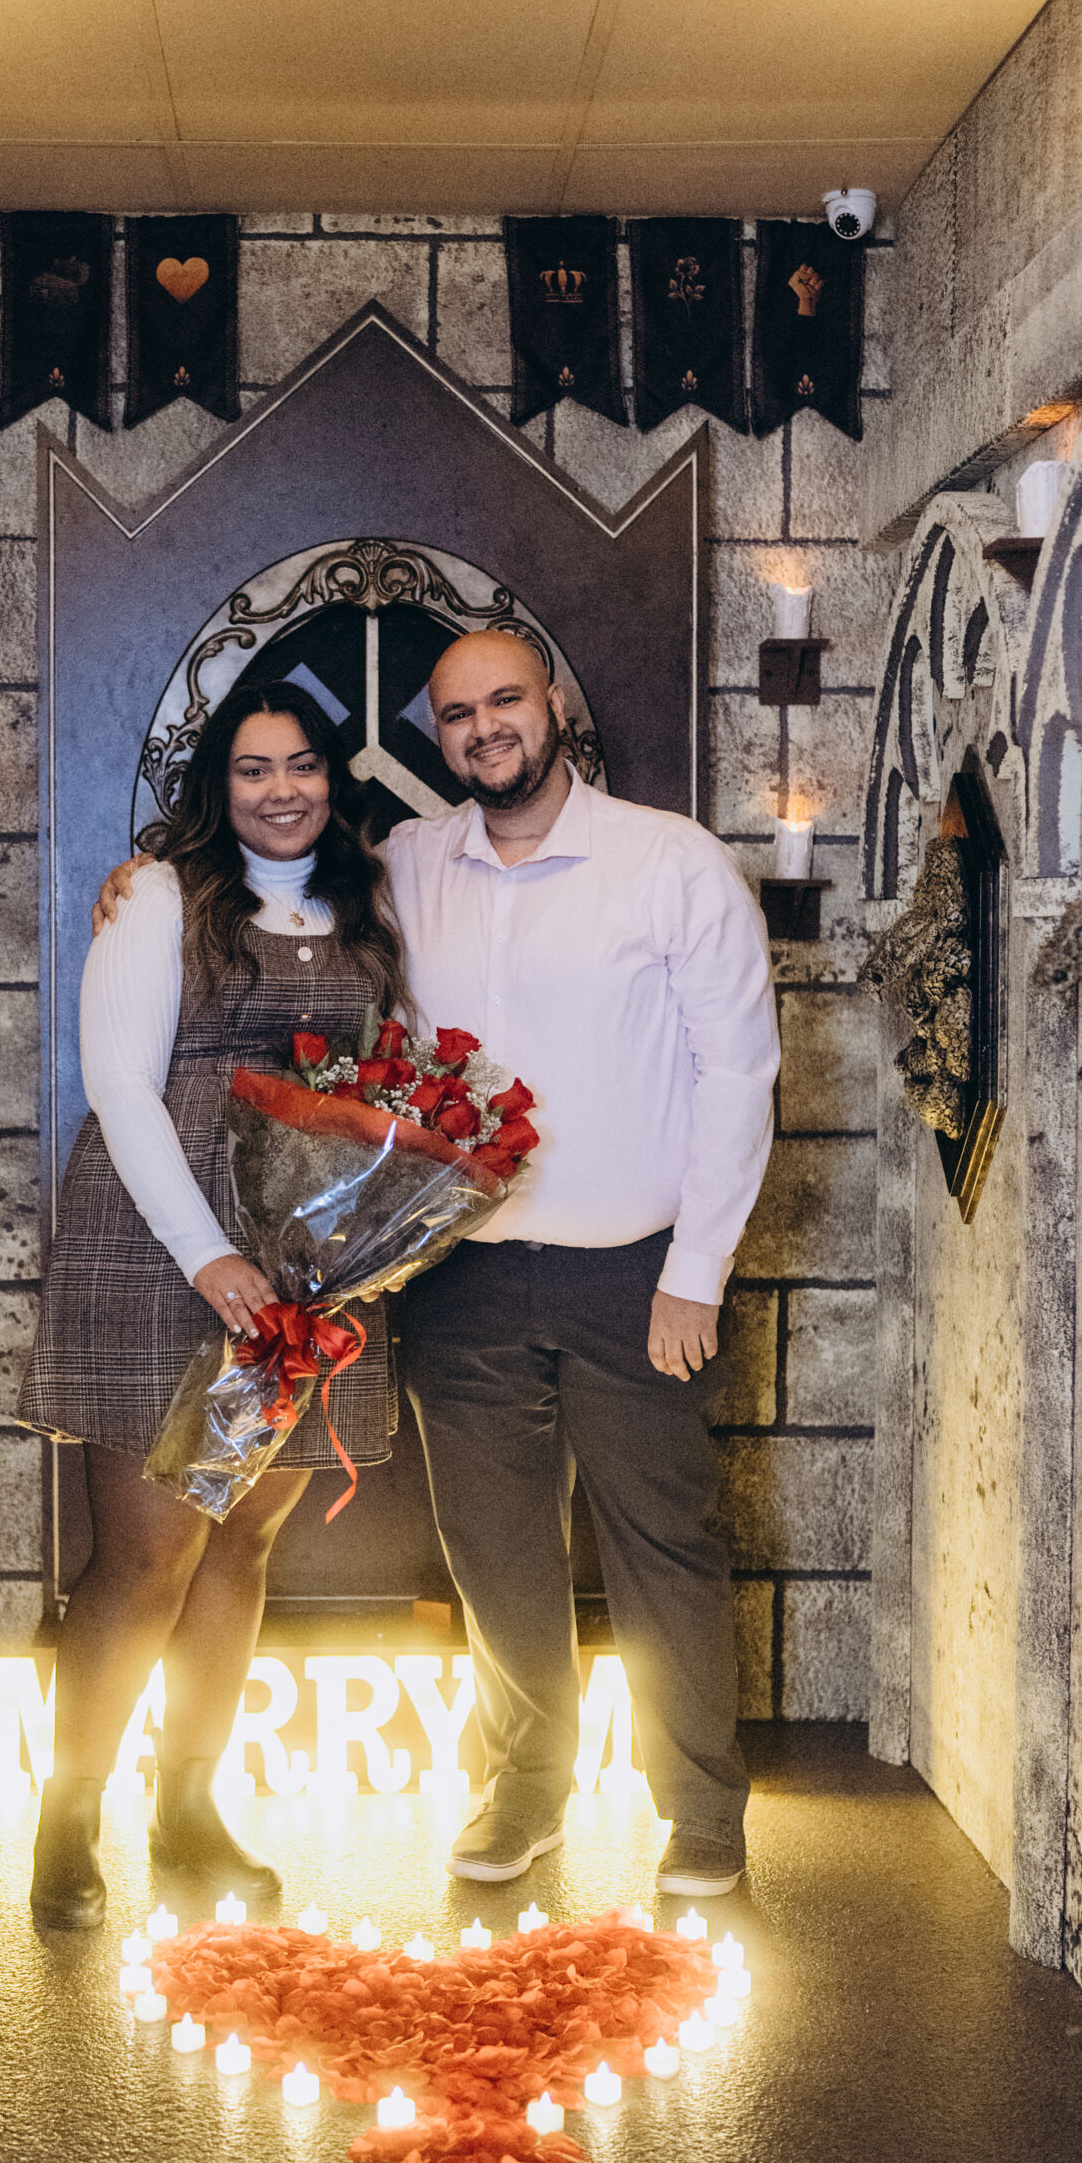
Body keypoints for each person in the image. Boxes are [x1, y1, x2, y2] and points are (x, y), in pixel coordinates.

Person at [98, 626, 778, 1899]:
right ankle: (524, 1794)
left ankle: (701, 1812)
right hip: (460, 1278)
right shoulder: (407, 864)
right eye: (457, 714)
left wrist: (699, 1267)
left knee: (663, 1543)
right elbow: (270, 869)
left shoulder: (671, 862)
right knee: (495, 1551)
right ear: (440, 736)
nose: (484, 729)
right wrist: (147, 875)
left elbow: (739, 1071)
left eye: (505, 700)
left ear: (555, 704)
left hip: (637, 1275)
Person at [17, 680, 405, 1931]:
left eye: (302, 765)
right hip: (164, 1250)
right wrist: (205, 1256)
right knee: (148, 1553)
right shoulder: (156, 901)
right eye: (253, 768)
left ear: (333, 778)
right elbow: (121, 1087)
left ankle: (188, 1811)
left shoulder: (371, 905)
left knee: (241, 1543)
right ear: (217, 784)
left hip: (306, 1261)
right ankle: (68, 1818)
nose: (282, 790)